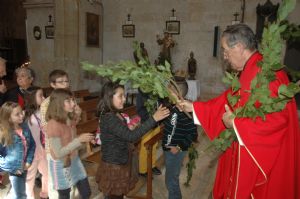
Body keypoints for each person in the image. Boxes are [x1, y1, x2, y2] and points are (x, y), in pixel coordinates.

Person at [179, 23, 300, 199]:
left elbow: (277, 121)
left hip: (267, 160)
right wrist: (194, 107)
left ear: (240, 47)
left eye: (226, 51)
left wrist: (235, 123)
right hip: (245, 147)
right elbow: (230, 99)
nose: (225, 57)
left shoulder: (266, 74)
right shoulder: (252, 68)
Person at [96, 81, 169, 199]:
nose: (124, 99)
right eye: (120, 96)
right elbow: (131, 137)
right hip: (114, 166)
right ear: (109, 97)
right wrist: (153, 119)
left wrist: (130, 127)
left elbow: (123, 134)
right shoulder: (109, 117)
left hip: (121, 160)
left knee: (118, 195)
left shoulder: (116, 113)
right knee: (113, 195)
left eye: (124, 95)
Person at [46, 89, 94, 199]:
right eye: (68, 101)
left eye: (73, 100)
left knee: (86, 192)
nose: (73, 103)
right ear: (58, 104)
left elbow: (70, 136)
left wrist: (85, 138)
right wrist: (79, 140)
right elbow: (58, 153)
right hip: (61, 163)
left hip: (74, 159)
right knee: (64, 194)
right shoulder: (53, 125)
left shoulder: (67, 117)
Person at [162, 97, 197, 199]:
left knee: (171, 179)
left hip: (176, 151)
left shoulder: (186, 114)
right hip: (168, 150)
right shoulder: (173, 108)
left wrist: (178, 147)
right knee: (170, 177)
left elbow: (193, 134)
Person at [0, 102, 36, 199]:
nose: (21, 115)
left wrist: (28, 161)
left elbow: (32, 145)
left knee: (19, 191)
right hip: (15, 170)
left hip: (23, 167)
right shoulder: (3, 133)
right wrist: (12, 167)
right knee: (20, 195)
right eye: (17, 114)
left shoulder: (25, 127)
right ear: (8, 118)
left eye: (21, 112)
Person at [24, 86, 48, 199]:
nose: (43, 97)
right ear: (32, 98)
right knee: (29, 178)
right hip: (31, 153)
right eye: (40, 95)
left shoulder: (41, 112)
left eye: (43, 95)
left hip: (42, 150)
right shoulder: (28, 117)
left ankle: (45, 194)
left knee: (47, 173)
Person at [136, 90, 162, 177]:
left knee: (154, 145)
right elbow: (140, 110)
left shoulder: (156, 91)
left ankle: (152, 165)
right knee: (145, 148)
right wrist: (151, 117)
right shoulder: (142, 92)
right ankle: (142, 170)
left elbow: (160, 103)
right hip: (147, 124)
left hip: (156, 123)